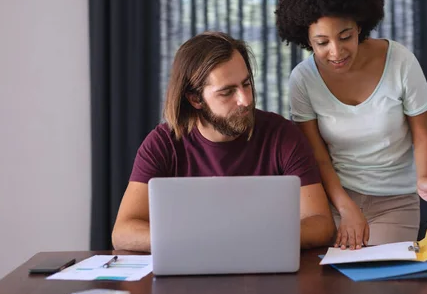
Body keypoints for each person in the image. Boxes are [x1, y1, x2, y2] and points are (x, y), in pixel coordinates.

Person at [275, 0, 427, 250]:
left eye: (345, 36)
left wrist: (423, 178)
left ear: (359, 25)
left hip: (395, 201)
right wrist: (346, 208)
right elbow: (317, 156)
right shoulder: (302, 80)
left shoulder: (399, 61)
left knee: (380, 291)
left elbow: (423, 132)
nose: (336, 52)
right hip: (334, 199)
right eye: (322, 43)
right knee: (328, 289)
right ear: (307, 40)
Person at [112, 32, 335, 252]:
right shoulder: (163, 144)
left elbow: (321, 224)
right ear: (195, 99)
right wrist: (199, 241)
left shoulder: (282, 135)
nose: (245, 100)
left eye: (246, 84)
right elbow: (123, 232)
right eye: (227, 92)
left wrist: (246, 238)